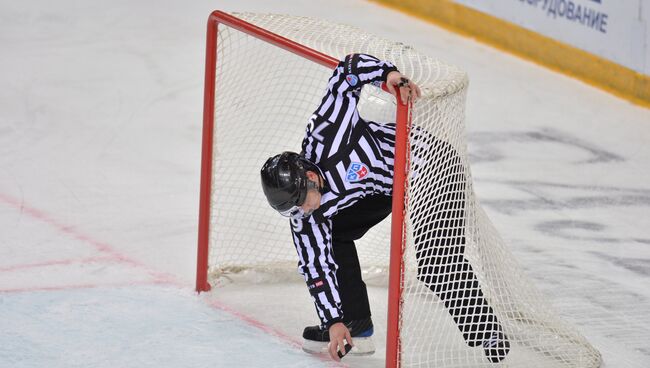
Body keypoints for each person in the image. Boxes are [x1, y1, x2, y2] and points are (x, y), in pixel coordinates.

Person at [260, 53, 509, 363]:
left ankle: (487, 332)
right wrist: (334, 321)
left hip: (430, 166)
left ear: (310, 176)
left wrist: (388, 76)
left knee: (435, 262)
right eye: (293, 210)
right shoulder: (304, 214)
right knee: (330, 235)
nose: (302, 212)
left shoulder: (325, 136)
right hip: (383, 188)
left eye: (301, 202)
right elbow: (316, 268)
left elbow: (347, 72)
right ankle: (357, 324)